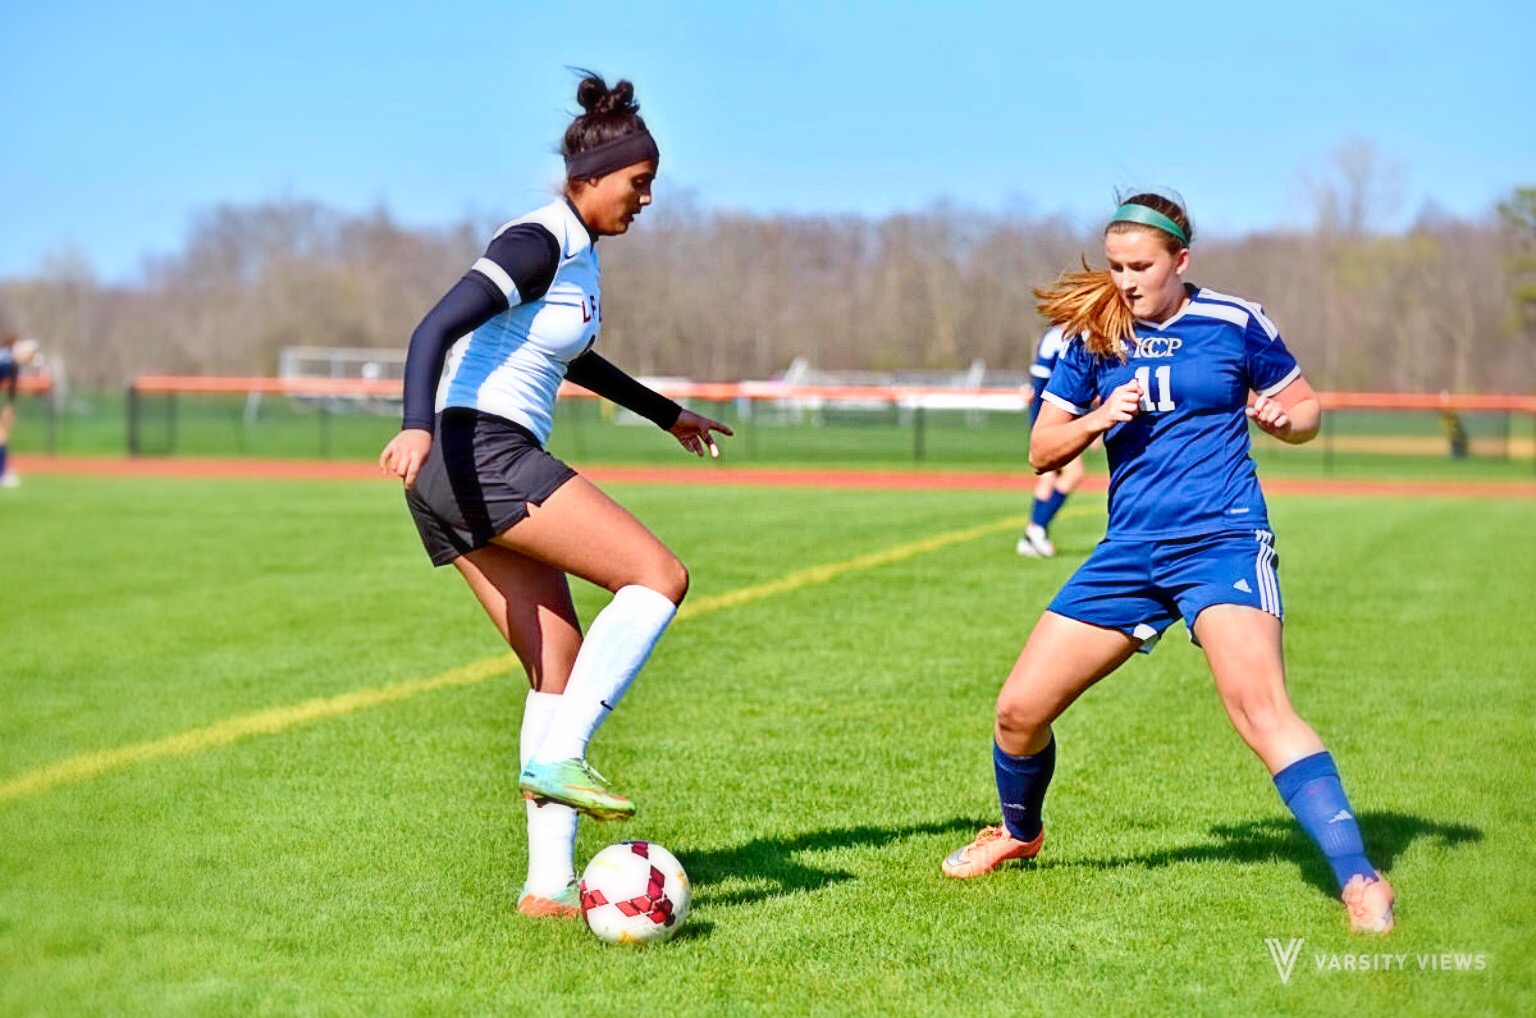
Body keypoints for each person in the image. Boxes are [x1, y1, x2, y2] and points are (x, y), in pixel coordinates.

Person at [941, 190, 1396, 934]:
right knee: (1017, 713)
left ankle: (1360, 878)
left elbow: (1307, 411)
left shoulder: (1236, 322)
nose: (1125, 281)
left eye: (1141, 267)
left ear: (1180, 260)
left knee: (1260, 709)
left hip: (1222, 541)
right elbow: (1041, 450)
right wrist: (1098, 417)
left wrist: (1285, 422)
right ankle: (1020, 833)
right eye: (1115, 266)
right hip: (1128, 553)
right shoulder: (1093, 336)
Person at [378, 74, 732, 920]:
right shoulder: (537, 240)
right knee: (658, 577)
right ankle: (565, 750)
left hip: (463, 465)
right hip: (477, 448)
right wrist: (416, 425)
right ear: (591, 178)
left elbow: (574, 359)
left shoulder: (578, 255)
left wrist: (667, 414)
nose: (647, 199)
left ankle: (546, 888)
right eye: (639, 182)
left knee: (557, 664)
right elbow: (433, 327)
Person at [1016, 324, 1086, 558]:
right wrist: (1044, 428)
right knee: (1073, 473)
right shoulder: (1056, 338)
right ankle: (1036, 529)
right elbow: (1041, 385)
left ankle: (1032, 536)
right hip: (1050, 421)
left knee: (1049, 477)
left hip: (1057, 420)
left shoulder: (1071, 335)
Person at [0, 333, 37, 488]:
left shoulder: (11, 364)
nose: (30, 358)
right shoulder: (7, 361)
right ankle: (2, 475)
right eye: (29, 354)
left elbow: (12, 389)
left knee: (2, 434)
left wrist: (9, 407)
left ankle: (2, 473)